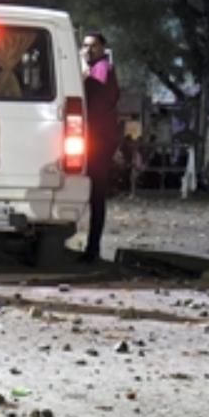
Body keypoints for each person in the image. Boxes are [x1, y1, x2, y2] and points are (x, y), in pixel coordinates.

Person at [79, 31, 121, 263]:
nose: (88, 50)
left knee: (95, 196)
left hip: (98, 141)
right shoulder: (98, 68)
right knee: (93, 196)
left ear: (103, 48)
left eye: (93, 46)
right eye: (85, 46)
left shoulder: (102, 68)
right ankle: (90, 247)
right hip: (97, 140)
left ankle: (92, 249)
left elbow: (95, 95)